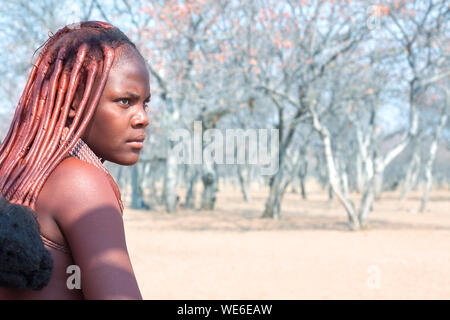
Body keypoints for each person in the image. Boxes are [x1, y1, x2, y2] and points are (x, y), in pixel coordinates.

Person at [0, 21, 150, 299]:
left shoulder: (13, 171)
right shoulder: (81, 183)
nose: (143, 118)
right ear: (73, 105)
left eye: (145, 103)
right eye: (124, 101)